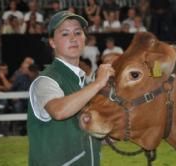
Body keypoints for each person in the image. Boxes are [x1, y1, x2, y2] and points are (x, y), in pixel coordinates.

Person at [27, 11, 115, 166]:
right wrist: (98, 83)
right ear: (52, 42)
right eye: (65, 34)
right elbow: (59, 111)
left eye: (78, 33)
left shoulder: (85, 84)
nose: (73, 38)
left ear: (84, 39)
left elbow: (87, 133)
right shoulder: (45, 80)